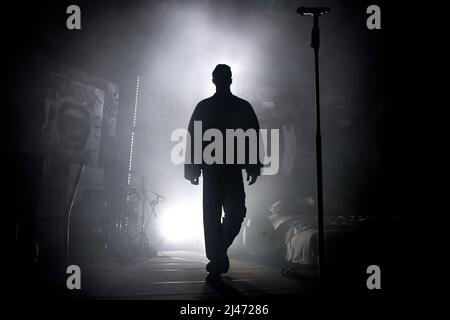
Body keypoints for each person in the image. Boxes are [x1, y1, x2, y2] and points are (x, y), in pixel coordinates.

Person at [184, 64, 263, 282]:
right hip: (215, 170)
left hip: (227, 170)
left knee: (234, 214)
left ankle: (217, 255)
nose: (222, 81)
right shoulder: (231, 107)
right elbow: (194, 136)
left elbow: (252, 137)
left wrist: (253, 164)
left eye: (223, 77)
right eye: (220, 77)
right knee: (213, 216)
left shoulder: (231, 107)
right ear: (218, 80)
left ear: (227, 80)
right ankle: (218, 257)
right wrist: (192, 167)